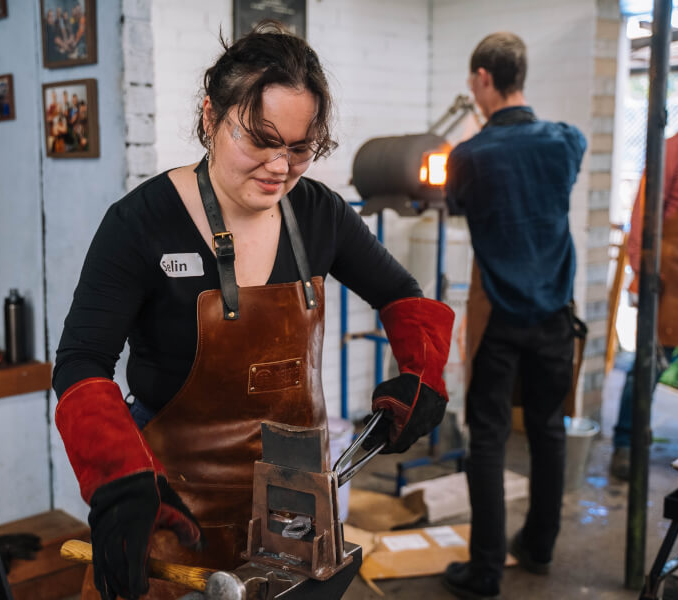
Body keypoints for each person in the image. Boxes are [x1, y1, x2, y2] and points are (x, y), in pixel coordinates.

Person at [53, 21, 454, 600]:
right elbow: (82, 362)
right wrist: (118, 475)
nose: (278, 167)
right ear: (212, 117)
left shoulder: (320, 214)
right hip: (174, 519)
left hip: (296, 528)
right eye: (259, 140)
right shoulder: (140, 223)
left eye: (298, 148)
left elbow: (404, 297)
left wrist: (422, 377)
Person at [442, 32, 586, 599]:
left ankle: (485, 572)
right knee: (549, 430)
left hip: (499, 317)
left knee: (489, 437)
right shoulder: (566, 141)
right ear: (519, 75)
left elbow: (454, 205)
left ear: (483, 78)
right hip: (555, 313)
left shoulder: (470, 155)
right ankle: (539, 546)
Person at [609, 69, 678, 480]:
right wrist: (642, 275)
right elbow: (642, 218)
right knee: (647, 370)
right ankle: (625, 443)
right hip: (672, 287)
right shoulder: (674, 149)